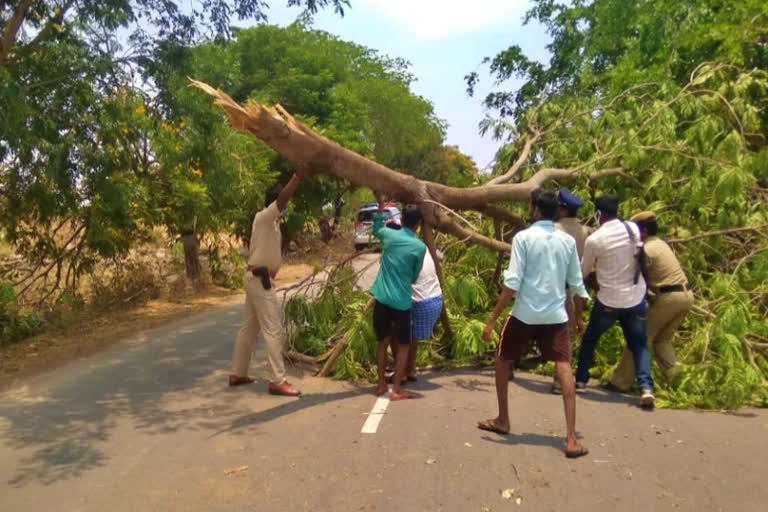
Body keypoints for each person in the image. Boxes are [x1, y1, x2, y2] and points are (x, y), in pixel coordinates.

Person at [478, 189, 589, 458]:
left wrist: (491, 321)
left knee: (503, 360)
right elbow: (577, 284)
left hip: (525, 314)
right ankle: (571, 438)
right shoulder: (566, 242)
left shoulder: (523, 238)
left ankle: (503, 419)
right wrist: (579, 316)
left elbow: (512, 283)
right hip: (556, 316)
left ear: (536, 210)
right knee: (564, 369)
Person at [574, 195, 655, 408]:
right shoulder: (633, 229)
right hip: (635, 298)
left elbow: (583, 271)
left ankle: (581, 380)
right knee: (639, 345)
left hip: (608, 300)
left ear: (598, 214)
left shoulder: (595, 239)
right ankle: (646, 387)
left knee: (591, 338)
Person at [229, 173, 301, 396]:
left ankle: (238, 373)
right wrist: (297, 177)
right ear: (275, 203)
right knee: (273, 329)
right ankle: (278, 380)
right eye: (283, 204)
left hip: (256, 278)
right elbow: (281, 200)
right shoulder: (265, 216)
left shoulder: (271, 223)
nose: (285, 207)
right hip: (260, 280)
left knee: (249, 329)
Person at [606, 211, 694, 391]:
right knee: (662, 340)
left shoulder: (646, 249)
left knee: (639, 338)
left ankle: (620, 382)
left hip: (669, 297)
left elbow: (632, 275)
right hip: (686, 296)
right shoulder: (660, 244)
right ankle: (679, 383)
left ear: (643, 231)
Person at [370, 197, 426, 400]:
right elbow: (414, 275)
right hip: (402, 302)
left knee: (382, 342)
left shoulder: (389, 236)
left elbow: (376, 228)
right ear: (418, 224)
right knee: (403, 345)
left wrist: (381, 209)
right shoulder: (419, 247)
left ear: (401, 219)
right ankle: (396, 390)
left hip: (382, 298)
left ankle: (380, 385)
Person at [550, 188, 590, 394]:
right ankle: (560, 381)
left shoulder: (553, 228)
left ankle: (507, 365)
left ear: (562, 209)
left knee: (522, 325)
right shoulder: (584, 231)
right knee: (565, 336)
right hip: (570, 288)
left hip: (549, 287)